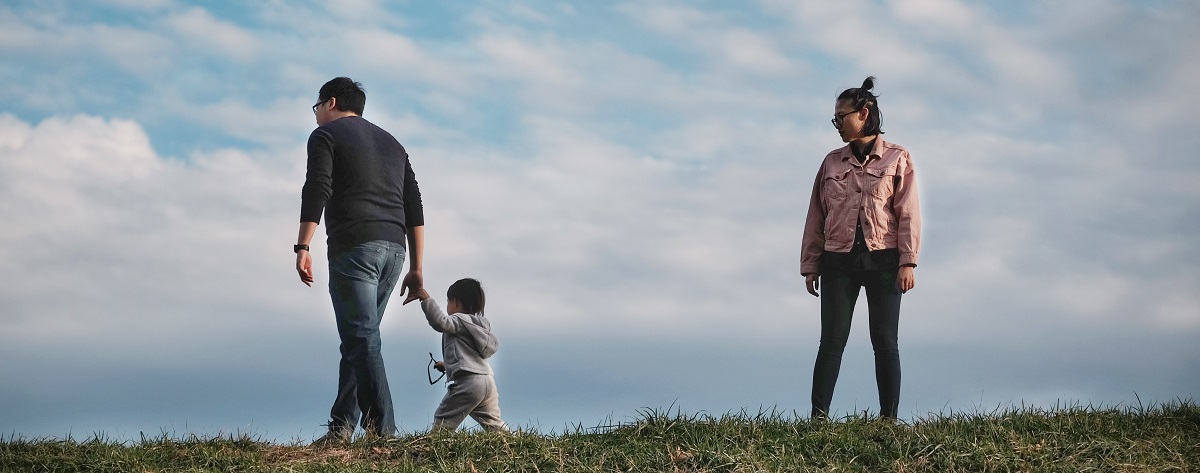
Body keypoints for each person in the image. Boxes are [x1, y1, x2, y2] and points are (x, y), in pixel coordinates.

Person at [294, 77, 425, 443]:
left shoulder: (325, 136)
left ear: (330, 102)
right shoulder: (394, 145)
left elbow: (317, 186)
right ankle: (340, 428)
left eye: (317, 106)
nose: (317, 114)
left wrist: (302, 245)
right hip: (394, 252)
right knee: (359, 338)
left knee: (361, 337)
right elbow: (414, 209)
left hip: (356, 248)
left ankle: (382, 431)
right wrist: (416, 268)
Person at [801, 76, 921, 420]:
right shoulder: (831, 163)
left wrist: (908, 261)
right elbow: (816, 214)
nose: (837, 124)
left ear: (864, 114)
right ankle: (818, 418)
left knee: (885, 343)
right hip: (837, 262)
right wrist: (811, 264)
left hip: (885, 261)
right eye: (835, 119)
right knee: (831, 343)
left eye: (842, 116)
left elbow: (908, 212)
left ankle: (889, 420)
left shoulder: (898, 158)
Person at [407, 278, 508, 432]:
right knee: (494, 424)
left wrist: (426, 299)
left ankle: (433, 448)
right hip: (487, 381)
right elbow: (469, 357)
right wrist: (447, 365)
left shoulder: (459, 320)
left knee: (443, 420)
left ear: (455, 302)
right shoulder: (478, 326)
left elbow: (440, 322)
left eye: (448, 301)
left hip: (469, 383)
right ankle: (510, 445)